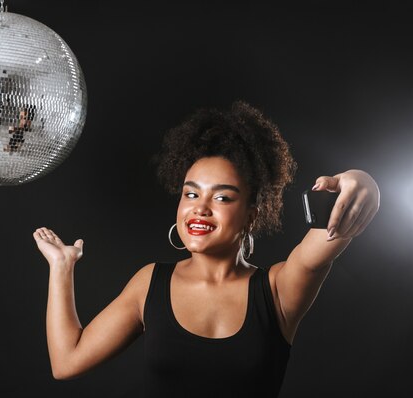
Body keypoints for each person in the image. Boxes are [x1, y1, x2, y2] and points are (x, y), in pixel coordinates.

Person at [33, 100, 380, 397]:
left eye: (222, 197)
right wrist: (62, 268)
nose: (200, 207)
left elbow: (333, 230)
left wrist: (363, 182)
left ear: (250, 215)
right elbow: (67, 361)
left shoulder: (277, 290)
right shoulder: (149, 283)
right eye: (191, 193)